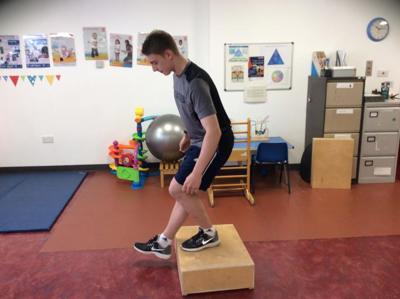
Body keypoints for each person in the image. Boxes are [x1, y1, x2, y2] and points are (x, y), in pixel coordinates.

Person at [133, 30, 233, 260]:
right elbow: (194, 112)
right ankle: (164, 242)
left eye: (155, 62)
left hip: (215, 142)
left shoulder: (195, 82)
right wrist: (188, 133)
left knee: (180, 189)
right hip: (199, 140)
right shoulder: (177, 75)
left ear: (169, 54)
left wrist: (198, 173)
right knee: (182, 192)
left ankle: (208, 233)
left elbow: (214, 131)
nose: (154, 68)